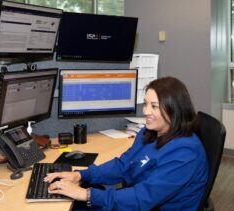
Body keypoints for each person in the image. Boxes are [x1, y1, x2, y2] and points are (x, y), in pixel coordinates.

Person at [44, 77, 209, 210]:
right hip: (137, 199)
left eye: (154, 106)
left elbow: (144, 198)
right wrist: (81, 175)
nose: (145, 111)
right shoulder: (149, 132)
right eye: (145, 104)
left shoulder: (185, 152)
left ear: (174, 110)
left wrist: (86, 194)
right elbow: (124, 165)